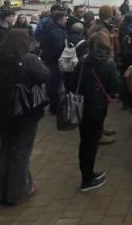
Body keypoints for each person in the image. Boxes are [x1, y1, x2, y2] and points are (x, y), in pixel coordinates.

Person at [0, 30, 49, 205]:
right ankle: (16, 192)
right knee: (21, 152)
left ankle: (1, 192)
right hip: (25, 112)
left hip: (4, 111)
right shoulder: (28, 59)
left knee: (5, 151)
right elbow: (45, 75)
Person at [71, 32, 121, 192]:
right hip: (97, 108)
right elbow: (115, 87)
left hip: (81, 108)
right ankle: (87, 180)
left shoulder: (83, 61)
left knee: (85, 142)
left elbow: (71, 84)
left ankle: (87, 173)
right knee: (90, 144)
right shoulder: (108, 63)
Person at [39, 11, 68, 114]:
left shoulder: (49, 29)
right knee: (56, 86)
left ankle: (53, 106)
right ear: (60, 20)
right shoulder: (58, 32)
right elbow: (60, 48)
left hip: (49, 61)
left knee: (51, 85)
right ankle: (56, 107)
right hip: (55, 62)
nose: (66, 21)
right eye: (65, 19)